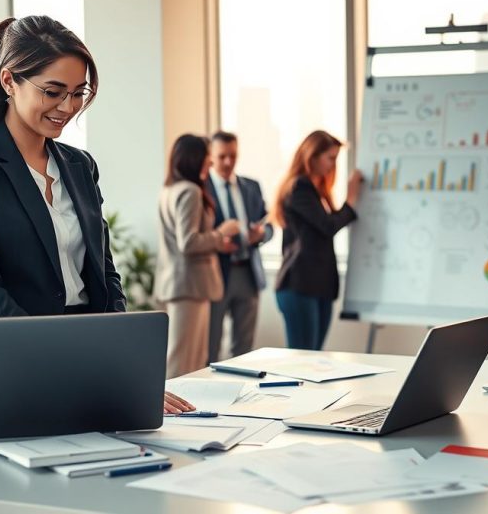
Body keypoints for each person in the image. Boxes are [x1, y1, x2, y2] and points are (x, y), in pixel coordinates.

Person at [0, 16, 193, 440]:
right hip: (7, 364)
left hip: (82, 359)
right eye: (53, 92)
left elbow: (104, 275)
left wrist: (125, 368)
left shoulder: (79, 166)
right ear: (9, 81)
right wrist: (56, 360)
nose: (68, 107)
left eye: (78, 93)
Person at [155, 134, 240, 378]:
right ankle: (174, 414)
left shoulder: (169, 189)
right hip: (190, 287)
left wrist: (217, 244)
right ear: (195, 159)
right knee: (185, 362)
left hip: (180, 284)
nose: (211, 163)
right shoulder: (190, 191)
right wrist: (220, 233)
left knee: (185, 358)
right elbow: (188, 242)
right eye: (207, 158)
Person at [273, 130, 364, 350]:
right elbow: (327, 226)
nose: (333, 165)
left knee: (314, 357)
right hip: (299, 285)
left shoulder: (318, 190)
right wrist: (351, 200)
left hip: (319, 286)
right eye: (330, 158)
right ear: (312, 157)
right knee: (303, 360)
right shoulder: (299, 188)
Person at [205, 131, 273, 363]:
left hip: (248, 272)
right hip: (216, 274)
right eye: (222, 156)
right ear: (211, 156)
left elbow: (270, 224)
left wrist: (262, 234)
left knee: (244, 349)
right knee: (210, 345)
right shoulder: (201, 188)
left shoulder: (251, 187)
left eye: (233, 156)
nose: (228, 162)